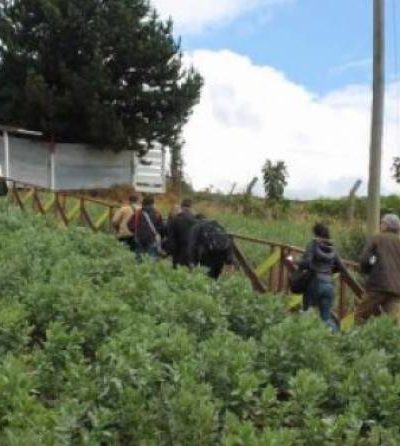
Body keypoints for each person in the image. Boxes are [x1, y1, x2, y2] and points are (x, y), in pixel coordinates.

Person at [298, 223, 346, 331]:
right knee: (326, 318)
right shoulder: (332, 247)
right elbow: (342, 267)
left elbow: (306, 263)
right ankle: (335, 336)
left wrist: (296, 262)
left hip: (314, 283)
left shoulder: (313, 244)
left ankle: (307, 337)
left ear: (315, 233)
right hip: (328, 285)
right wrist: (329, 271)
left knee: (307, 313)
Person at [357, 213, 400, 322]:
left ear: (386, 225)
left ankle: (357, 333)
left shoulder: (377, 238)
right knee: (392, 322)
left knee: (361, 316)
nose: (380, 225)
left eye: (382, 223)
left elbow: (364, 259)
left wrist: (367, 271)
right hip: (396, 289)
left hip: (377, 285)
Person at [166, 199, 197, 268]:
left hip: (178, 250)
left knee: (177, 270)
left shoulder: (175, 219)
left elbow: (170, 236)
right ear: (191, 207)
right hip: (191, 251)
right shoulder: (195, 219)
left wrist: (170, 251)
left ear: (181, 206)